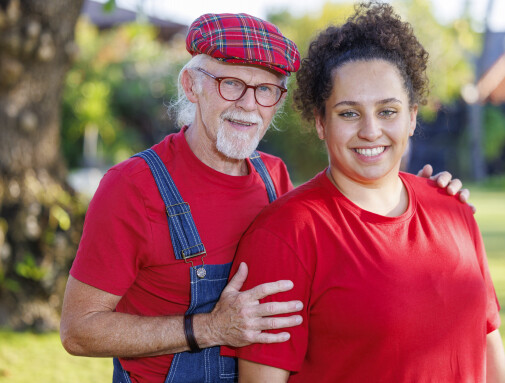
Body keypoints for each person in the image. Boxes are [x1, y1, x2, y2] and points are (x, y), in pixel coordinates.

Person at [60, 11, 471, 383]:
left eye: (266, 90)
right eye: (231, 84)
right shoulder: (133, 187)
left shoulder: (273, 176)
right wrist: (209, 328)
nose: (248, 105)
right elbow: (79, 330)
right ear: (191, 85)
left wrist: (422, 197)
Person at [223, 3, 505, 383]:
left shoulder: (454, 210)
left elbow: (488, 344)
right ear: (320, 123)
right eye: (349, 113)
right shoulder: (285, 235)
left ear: (411, 116)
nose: (371, 131)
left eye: (388, 111)